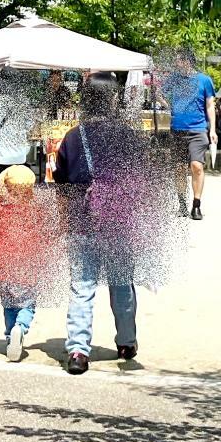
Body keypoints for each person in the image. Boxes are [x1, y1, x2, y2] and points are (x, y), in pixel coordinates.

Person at [53, 79, 141, 372]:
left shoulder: (73, 137)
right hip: (118, 223)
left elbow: (61, 181)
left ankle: (78, 351)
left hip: (81, 221)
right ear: (113, 100)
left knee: (81, 287)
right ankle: (127, 342)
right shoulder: (128, 136)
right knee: (121, 285)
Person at [0, 164, 58, 362]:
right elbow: (49, 232)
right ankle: (20, 327)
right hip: (29, 269)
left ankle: (11, 335)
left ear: (5, 187)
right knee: (27, 305)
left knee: (9, 305)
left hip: (3, 268)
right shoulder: (36, 210)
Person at [164, 49, 217, 220]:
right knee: (179, 168)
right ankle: (181, 205)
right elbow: (159, 92)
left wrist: (213, 130)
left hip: (198, 129)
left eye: (179, 60)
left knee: (197, 166)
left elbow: (210, 106)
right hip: (177, 129)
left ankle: (196, 205)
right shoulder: (174, 79)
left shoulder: (204, 80)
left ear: (187, 61)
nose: (176, 63)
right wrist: (167, 105)